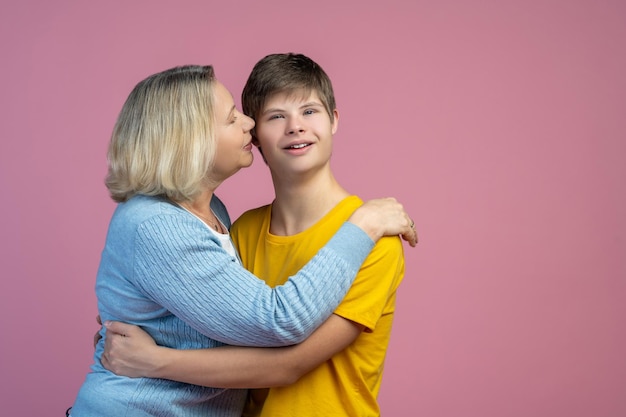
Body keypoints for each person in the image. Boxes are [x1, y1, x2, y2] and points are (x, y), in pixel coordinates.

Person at [67, 64, 416, 417]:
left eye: (309, 111)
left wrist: (155, 356)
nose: (248, 123)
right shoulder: (194, 228)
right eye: (235, 118)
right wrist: (366, 224)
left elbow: (276, 356)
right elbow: (270, 322)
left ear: (333, 120)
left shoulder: (370, 239)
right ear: (191, 139)